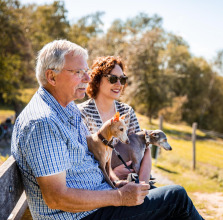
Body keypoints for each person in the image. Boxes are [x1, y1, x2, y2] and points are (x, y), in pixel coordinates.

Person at [11, 39, 203, 220]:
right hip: (82, 215)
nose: (87, 78)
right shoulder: (43, 123)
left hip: (98, 201)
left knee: (167, 198)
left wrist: (115, 183)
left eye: (86, 71)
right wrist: (119, 196)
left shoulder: (66, 108)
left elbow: (92, 153)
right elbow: (56, 198)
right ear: (51, 76)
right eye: (78, 72)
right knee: (176, 199)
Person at [78, 56, 151, 184]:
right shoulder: (82, 114)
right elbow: (80, 162)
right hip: (99, 189)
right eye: (112, 79)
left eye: (122, 79)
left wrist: (142, 188)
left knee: (176, 195)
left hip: (133, 186)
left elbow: (144, 149)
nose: (119, 84)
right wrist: (113, 174)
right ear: (97, 80)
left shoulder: (127, 112)